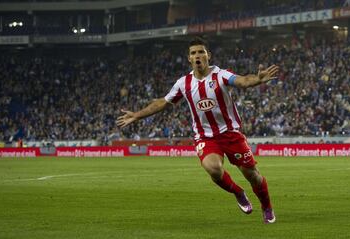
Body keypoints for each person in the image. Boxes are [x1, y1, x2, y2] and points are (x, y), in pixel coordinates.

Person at [117, 37, 279, 223]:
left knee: (252, 175)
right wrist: (137, 115)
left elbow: (242, 81)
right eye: (193, 53)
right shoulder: (183, 83)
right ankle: (238, 192)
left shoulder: (221, 75)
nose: (197, 56)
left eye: (201, 52)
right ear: (189, 59)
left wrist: (257, 80)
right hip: (205, 137)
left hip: (230, 134)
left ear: (208, 55)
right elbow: (163, 102)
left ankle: (266, 206)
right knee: (213, 169)